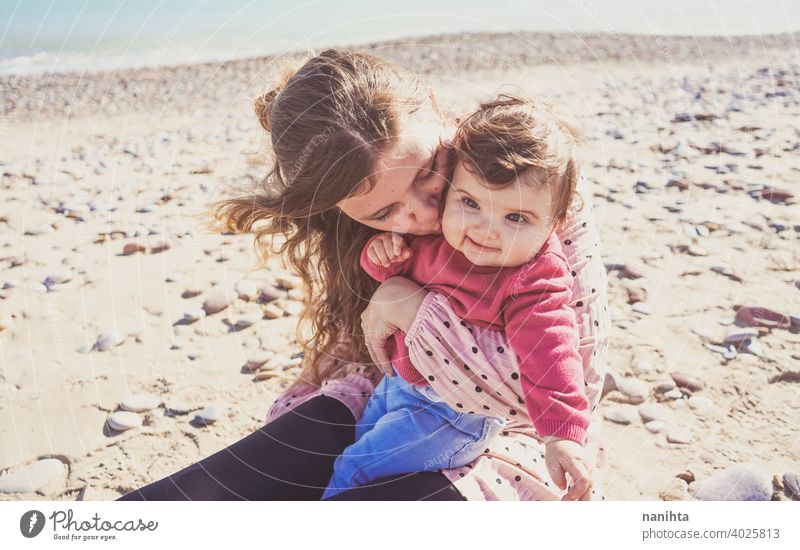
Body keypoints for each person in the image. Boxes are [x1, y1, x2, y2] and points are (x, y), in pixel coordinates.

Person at [117, 49, 609, 501]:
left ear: (434, 107)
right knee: (197, 497)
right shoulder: (350, 207)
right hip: (390, 389)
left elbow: (565, 375)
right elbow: (363, 353)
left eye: (427, 172)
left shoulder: (535, 181)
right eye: (383, 212)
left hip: (517, 438)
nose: (421, 214)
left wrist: (409, 305)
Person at [321, 94, 592, 500]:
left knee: (354, 469)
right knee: (359, 449)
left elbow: (551, 352)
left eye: (515, 217)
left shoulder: (533, 276)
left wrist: (561, 434)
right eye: (470, 202)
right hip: (400, 385)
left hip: (453, 415)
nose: (486, 229)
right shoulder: (446, 238)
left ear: (557, 221)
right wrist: (381, 260)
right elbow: (399, 274)